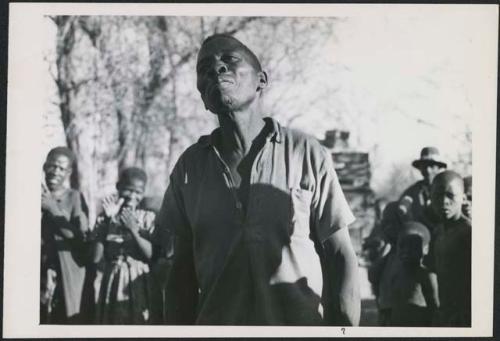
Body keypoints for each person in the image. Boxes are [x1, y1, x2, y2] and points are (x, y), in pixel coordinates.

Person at [156, 34, 360, 325]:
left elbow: (340, 255)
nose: (216, 69)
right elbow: (181, 273)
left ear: (261, 80)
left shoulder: (306, 153)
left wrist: (345, 329)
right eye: (204, 69)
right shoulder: (189, 168)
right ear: (202, 94)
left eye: (230, 60)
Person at [92, 167, 161, 324]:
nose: (133, 196)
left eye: (138, 192)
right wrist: (107, 221)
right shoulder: (105, 217)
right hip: (113, 278)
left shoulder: (148, 218)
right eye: (128, 190)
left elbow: (152, 255)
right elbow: (95, 257)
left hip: (140, 279)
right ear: (118, 187)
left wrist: (134, 231)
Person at [41, 147, 89, 323]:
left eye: (61, 169)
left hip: (65, 272)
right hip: (39, 270)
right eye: (52, 166)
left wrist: (53, 208)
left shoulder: (74, 197)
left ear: (68, 173)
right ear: (44, 167)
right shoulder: (32, 194)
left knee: (62, 319)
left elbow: (80, 237)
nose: (55, 172)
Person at [430, 170, 471, 326]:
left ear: (463, 198)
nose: (444, 201)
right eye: (438, 195)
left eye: (450, 195)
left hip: (466, 315)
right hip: (445, 314)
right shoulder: (437, 232)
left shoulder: (469, 233)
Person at [389, 222, 439, 326]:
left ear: (425, 249)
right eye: (402, 246)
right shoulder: (396, 274)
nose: (406, 251)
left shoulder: (427, 276)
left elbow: (436, 310)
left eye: (413, 246)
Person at [398, 147, 447, 231]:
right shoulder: (412, 191)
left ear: (438, 168)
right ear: (420, 168)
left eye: (431, 166)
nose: (428, 170)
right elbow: (402, 211)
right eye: (424, 166)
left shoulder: (447, 188)